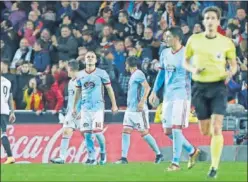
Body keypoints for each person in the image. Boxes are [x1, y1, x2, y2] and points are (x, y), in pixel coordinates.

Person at [183, 6, 237, 178]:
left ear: (218, 21)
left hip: (218, 87)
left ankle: (214, 168)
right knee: (205, 131)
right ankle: (206, 156)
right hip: (199, 88)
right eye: (207, 18)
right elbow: (185, 62)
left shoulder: (226, 42)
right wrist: (193, 69)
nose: (210, 21)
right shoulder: (194, 39)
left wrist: (230, 72)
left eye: (213, 18)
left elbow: (233, 64)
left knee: (216, 128)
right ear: (204, 21)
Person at [149, 27, 200, 171]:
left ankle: (175, 163)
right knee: (168, 131)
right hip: (168, 96)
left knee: (176, 128)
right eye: (165, 36)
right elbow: (161, 74)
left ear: (177, 38)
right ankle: (192, 150)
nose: (165, 39)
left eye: (168, 36)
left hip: (182, 95)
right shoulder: (164, 53)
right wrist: (154, 91)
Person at [72, 51, 118, 165]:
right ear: (84, 60)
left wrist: (114, 104)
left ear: (96, 60)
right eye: (88, 57)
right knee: (87, 133)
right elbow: (77, 91)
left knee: (97, 133)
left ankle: (103, 152)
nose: (90, 58)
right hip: (85, 107)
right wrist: (74, 107)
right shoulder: (80, 75)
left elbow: (109, 89)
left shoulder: (102, 73)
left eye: (92, 57)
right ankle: (91, 157)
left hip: (98, 107)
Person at [115, 56, 163, 164]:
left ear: (128, 64)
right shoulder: (133, 75)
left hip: (138, 110)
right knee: (126, 131)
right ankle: (123, 158)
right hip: (130, 109)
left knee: (144, 132)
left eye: (126, 64)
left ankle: (159, 154)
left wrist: (142, 101)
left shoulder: (139, 74)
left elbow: (147, 87)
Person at [50, 60, 81, 164]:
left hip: (81, 113)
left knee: (87, 135)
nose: (66, 71)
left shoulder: (81, 80)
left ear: (71, 69)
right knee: (66, 131)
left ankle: (94, 156)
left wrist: (80, 110)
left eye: (67, 69)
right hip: (70, 113)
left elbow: (86, 97)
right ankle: (62, 158)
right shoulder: (71, 81)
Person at [1, 74, 16, 164]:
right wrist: (12, 111)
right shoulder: (7, 82)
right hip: (5, 110)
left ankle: (10, 156)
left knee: (3, 134)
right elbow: (10, 98)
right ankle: (10, 157)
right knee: (3, 133)